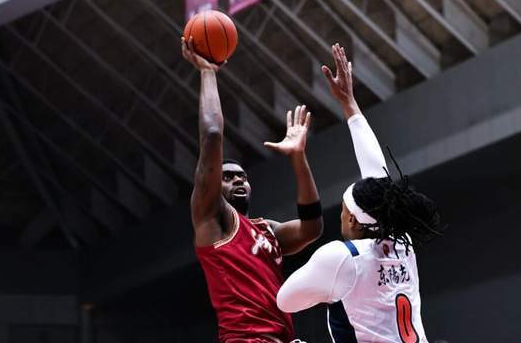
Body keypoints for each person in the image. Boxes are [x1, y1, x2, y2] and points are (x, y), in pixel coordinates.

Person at [277, 44, 445, 343]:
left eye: (343, 211)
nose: (340, 216)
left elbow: (285, 301)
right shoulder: (402, 242)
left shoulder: (343, 257)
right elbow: (378, 179)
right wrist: (349, 104)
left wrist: (329, 286)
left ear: (353, 221)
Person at [182, 37, 323, 343]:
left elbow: (312, 227)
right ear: (212, 185)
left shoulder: (267, 230)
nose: (238, 181)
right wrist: (208, 72)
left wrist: (298, 158)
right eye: (227, 177)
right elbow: (212, 134)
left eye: (242, 177)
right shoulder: (213, 218)